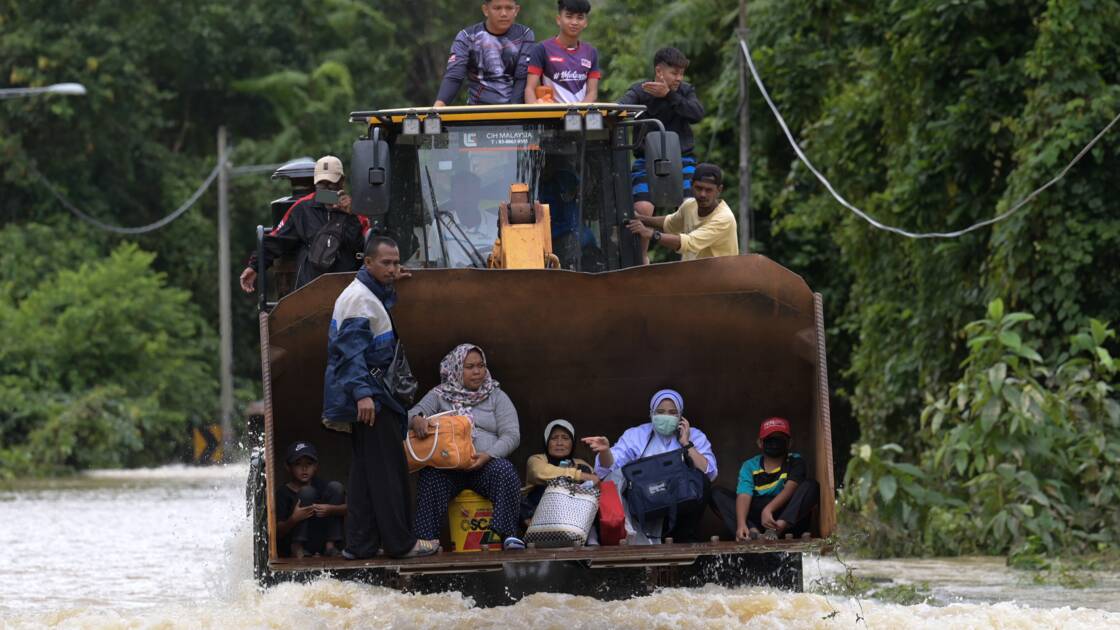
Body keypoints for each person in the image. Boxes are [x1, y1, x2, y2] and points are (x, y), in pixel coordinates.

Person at [321, 236, 439, 560]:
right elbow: (349, 353)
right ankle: (401, 544)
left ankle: (359, 545)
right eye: (386, 263)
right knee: (389, 471)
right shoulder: (359, 300)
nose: (392, 268)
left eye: (396, 262)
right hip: (373, 398)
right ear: (367, 262)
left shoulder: (368, 294)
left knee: (364, 474)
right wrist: (363, 394)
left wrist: (390, 282)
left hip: (372, 395)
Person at [409, 344, 525, 550]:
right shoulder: (439, 395)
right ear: (456, 369)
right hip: (449, 469)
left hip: (484, 466)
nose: (477, 371)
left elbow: (512, 435)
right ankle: (426, 540)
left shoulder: (496, 396)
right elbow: (410, 415)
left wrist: (488, 455)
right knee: (430, 476)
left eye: (481, 365)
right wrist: (417, 419)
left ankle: (507, 535)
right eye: (470, 367)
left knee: (506, 471)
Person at [583, 389, 717, 543]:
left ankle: (684, 539)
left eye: (672, 412)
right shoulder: (637, 435)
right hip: (645, 504)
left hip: (680, 504)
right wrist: (605, 451)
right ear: (651, 413)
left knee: (700, 479)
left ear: (681, 416)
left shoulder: (695, 435)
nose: (666, 416)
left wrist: (687, 444)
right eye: (660, 412)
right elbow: (609, 469)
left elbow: (708, 473)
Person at [618, 47, 705, 264]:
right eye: (674, 73)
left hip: (683, 159)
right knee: (642, 207)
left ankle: (690, 257)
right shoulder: (640, 90)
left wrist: (670, 96)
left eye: (681, 73)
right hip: (645, 160)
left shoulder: (685, 91)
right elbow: (620, 108)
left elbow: (697, 114)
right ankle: (641, 258)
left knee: (690, 205)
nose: (679, 78)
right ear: (659, 71)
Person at [240, 155, 369, 293]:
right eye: (321, 184)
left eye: (331, 184)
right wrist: (254, 267)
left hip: (348, 288)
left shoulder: (356, 209)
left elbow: (364, 246)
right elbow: (277, 240)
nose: (326, 189)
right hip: (310, 288)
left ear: (341, 182)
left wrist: (350, 215)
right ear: (315, 183)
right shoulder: (302, 208)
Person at [626, 163, 738, 261]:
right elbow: (669, 222)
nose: (703, 194)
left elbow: (689, 243)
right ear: (691, 185)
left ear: (719, 190)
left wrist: (650, 234)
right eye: (699, 188)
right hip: (693, 274)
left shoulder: (724, 218)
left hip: (720, 277)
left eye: (709, 190)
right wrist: (640, 218)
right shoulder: (689, 205)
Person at [433, 0, 535, 107]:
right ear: (486, 10)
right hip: (477, 110)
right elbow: (454, 76)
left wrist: (512, 111)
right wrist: (438, 106)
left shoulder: (525, 34)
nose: (504, 13)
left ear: (516, 10)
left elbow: (522, 76)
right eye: (497, 8)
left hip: (515, 110)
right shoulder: (466, 37)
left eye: (509, 8)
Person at [733, 417, 819, 541]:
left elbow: (791, 487)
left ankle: (777, 529)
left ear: (789, 443)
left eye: (779, 439)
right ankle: (750, 531)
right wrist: (741, 524)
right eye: (770, 439)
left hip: (787, 517)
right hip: (758, 519)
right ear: (760, 443)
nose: (774, 444)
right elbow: (744, 494)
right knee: (718, 495)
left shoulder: (796, 461)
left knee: (811, 485)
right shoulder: (749, 466)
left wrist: (768, 509)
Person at [521, 419, 598, 528]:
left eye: (565, 438)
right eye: (554, 438)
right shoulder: (536, 460)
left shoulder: (581, 464)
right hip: (538, 517)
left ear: (572, 443)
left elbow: (596, 484)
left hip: (575, 520)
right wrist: (579, 475)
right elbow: (539, 473)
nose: (559, 443)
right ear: (547, 442)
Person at [274, 441, 346, 558]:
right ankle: (298, 546)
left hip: (318, 541)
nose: (304, 468)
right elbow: (277, 533)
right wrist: (294, 519)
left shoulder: (321, 486)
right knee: (307, 492)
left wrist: (331, 509)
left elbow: (351, 508)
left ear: (316, 466)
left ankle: (330, 546)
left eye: (309, 463)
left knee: (336, 487)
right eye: (298, 464)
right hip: (293, 544)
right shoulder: (283, 493)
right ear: (288, 467)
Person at [524, 0, 600, 104]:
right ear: (558, 20)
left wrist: (578, 111)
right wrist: (535, 111)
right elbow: (530, 89)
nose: (574, 22)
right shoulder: (541, 49)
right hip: (551, 114)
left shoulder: (591, 52)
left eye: (580, 18)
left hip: (580, 114)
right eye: (569, 16)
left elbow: (592, 93)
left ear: (585, 23)